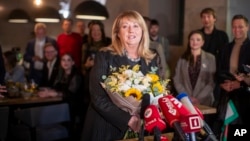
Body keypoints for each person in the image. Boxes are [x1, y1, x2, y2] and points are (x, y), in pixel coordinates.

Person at [81, 10, 164, 141]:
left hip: (142, 126)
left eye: (136, 26)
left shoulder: (152, 57)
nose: (131, 30)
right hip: (106, 127)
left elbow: (157, 90)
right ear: (118, 33)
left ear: (143, 31)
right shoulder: (104, 56)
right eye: (125, 26)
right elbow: (98, 98)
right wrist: (127, 119)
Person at [215, 14, 250, 140]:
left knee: (241, 131)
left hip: (245, 97)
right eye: (234, 27)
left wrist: (240, 84)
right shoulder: (225, 48)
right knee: (226, 131)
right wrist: (223, 83)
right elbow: (218, 71)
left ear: (247, 27)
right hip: (227, 95)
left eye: (240, 27)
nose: (237, 30)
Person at [37, 53, 83, 140]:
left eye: (68, 60)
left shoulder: (76, 75)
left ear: (73, 62)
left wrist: (54, 94)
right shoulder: (61, 73)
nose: (65, 62)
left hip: (74, 107)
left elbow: (70, 93)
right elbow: (57, 87)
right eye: (63, 60)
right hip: (64, 105)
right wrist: (49, 91)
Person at [173, 30, 216, 106]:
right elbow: (176, 79)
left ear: (203, 42)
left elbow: (211, 82)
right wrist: (187, 97)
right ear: (189, 41)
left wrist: (198, 98)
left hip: (204, 101)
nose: (195, 42)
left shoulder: (210, 58)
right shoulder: (182, 59)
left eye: (198, 40)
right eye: (192, 39)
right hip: (186, 101)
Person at [198, 8, 229, 106]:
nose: (206, 19)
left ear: (214, 19)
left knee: (214, 102)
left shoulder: (222, 36)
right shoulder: (197, 35)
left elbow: (225, 57)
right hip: (199, 74)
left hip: (215, 75)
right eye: (203, 17)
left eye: (208, 16)